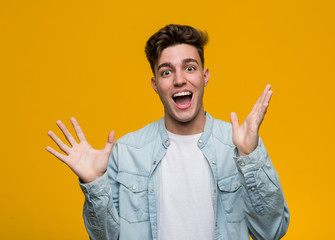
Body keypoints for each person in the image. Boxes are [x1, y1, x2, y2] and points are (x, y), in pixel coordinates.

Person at [46, 24, 290, 240]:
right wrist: (93, 184)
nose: (179, 80)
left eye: (190, 68)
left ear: (205, 77)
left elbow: (271, 232)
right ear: (155, 84)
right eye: (166, 71)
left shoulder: (240, 145)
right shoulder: (127, 151)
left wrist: (250, 156)